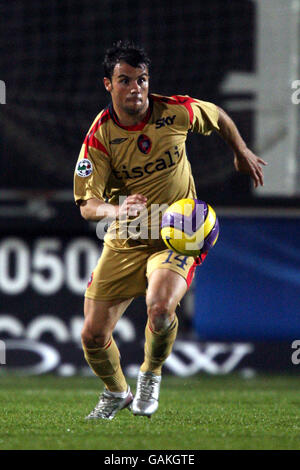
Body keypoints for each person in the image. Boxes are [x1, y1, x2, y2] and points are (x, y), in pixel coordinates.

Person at [73, 40, 267, 420]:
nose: (136, 88)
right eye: (125, 80)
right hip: (126, 239)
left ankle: (151, 374)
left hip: (177, 233)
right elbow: (86, 206)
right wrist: (115, 209)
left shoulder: (175, 111)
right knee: (92, 337)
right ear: (108, 85)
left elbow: (218, 116)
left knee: (160, 308)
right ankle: (116, 391)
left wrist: (240, 151)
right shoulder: (99, 139)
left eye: (141, 79)